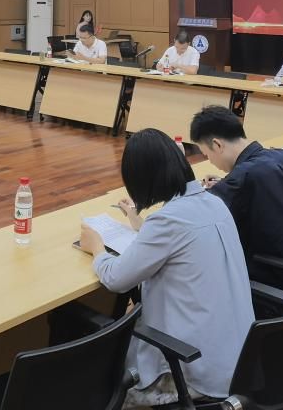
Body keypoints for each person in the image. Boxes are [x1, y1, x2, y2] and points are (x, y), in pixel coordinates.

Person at [79, 129, 252, 406]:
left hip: (194, 372)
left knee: (106, 387)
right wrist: (140, 224)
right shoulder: (214, 203)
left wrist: (97, 248)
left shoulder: (168, 221)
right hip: (241, 363)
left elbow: (116, 279)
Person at [191, 106, 283, 306]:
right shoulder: (280, 155)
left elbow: (198, 212)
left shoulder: (243, 178)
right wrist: (226, 183)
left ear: (217, 144)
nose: (210, 161)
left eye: (207, 154)